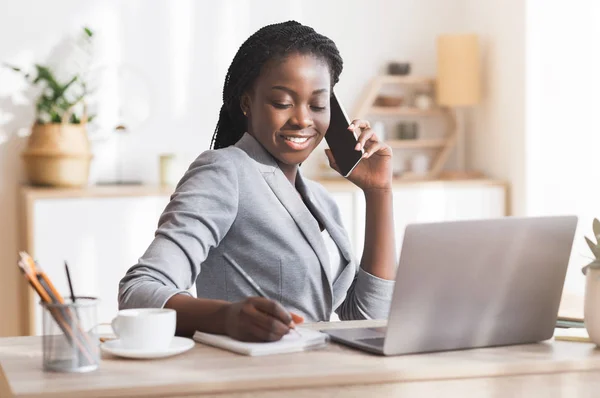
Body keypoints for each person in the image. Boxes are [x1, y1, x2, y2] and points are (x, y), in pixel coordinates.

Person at [119, 21, 396, 342]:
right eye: (282, 102)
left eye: (317, 105)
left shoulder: (321, 201)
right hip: (250, 379)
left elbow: (368, 320)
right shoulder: (224, 172)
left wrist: (379, 193)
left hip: (317, 377)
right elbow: (138, 290)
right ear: (247, 102)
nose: (303, 119)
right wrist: (226, 318)